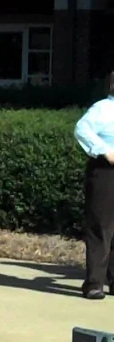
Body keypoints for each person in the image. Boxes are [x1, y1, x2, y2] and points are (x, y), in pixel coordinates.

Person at [74, 71, 114, 300]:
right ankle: (94, 283)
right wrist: (104, 151)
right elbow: (82, 129)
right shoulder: (103, 109)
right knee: (101, 227)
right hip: (106, 173)